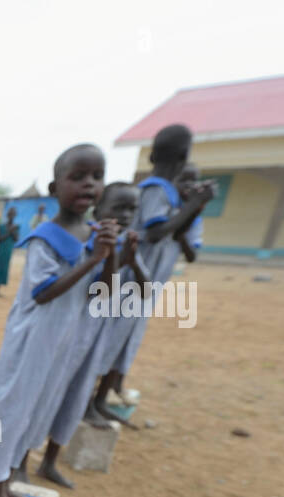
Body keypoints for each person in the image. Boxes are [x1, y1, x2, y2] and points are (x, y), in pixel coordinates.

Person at [0, 145, 116, 497]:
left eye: (96, 176)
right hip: (31, 343)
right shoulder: (45, 238)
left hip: (61, 344)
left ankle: (11, 481)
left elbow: (104, 293)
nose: (89, 184)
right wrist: (95, 258)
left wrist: (114, 255)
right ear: (55, 186)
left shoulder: (93, 236)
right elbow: (42, 292)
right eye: (78, 176)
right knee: (11, 409)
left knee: (36, 411)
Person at [96, 124, 212, 418]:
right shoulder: (156, 191)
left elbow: (182, 240)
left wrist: (193, 209)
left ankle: (99, 400)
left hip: (145, 284)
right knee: (109, 341)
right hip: (129, 283)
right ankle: (88, 402)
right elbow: (157, 232)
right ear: (184, 155)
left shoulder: (172, 196)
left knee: (123, 342)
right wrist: (194, 205)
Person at [32, 182, 142, 488]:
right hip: (72, 333)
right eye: (118, 207)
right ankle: (20, 458)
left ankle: (49, 461)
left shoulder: (127, 243)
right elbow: (97, 292)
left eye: (132, 208)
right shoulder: (87, 241)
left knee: (77, 394)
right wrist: (105, 256)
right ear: (99, 209)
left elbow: (138, 290)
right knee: (48, 392)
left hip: (97, 337)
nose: (126, 215)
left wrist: (126, 259)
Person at [175, 162, 204, 264]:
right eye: (183, 180)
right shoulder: (161, 206)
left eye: (193, 180)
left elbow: (191, 257)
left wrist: (180, 235)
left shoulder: (195, 217)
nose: (189, 184)